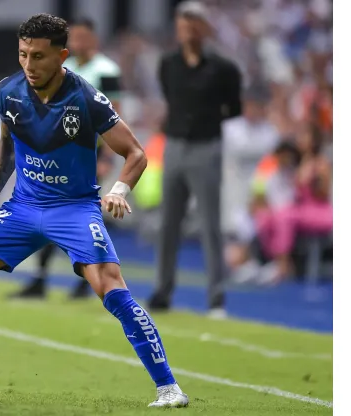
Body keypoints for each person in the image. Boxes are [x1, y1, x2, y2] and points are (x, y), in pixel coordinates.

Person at [0, 14, 188, 408]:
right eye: (23, 55)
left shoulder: (85, 97)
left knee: (111, 288)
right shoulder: (8, 91)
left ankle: (168, 387)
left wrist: (119, 189)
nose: (29, 65)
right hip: (22, 207)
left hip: (74, 209)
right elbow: (7, 142)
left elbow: (135, 153)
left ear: (62, 56)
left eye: (38, 56)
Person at [9, 17, 121, 300]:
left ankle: (88, 278)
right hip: (57, 154)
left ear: (94, 39)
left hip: (87, 154)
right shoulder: (64, 68)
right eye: (75, 38)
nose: (79, 43)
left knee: (85, 215)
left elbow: (115, 116)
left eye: (84, 37)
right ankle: (41, 277)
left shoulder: (107, 70)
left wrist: (106, 156)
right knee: (49, 211)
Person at [148, 1, 242, 318]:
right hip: (174, 145)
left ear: (204, 28)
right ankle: (163, 291)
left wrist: (205, 121)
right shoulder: (168, 63)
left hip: (206, 146)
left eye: (193, 24)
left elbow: (235, 107)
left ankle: (216, 297)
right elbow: (168, 96)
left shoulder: (222, 68)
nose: (187, 30)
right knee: (168, 223)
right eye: (182, 24)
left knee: (210, 224)